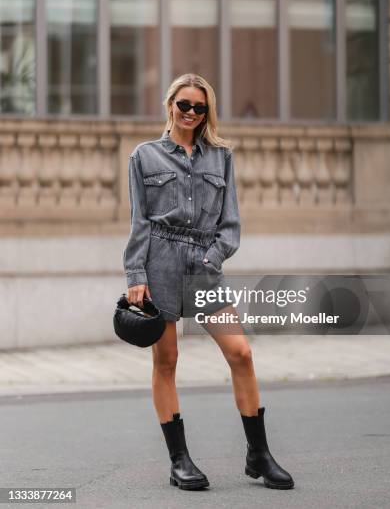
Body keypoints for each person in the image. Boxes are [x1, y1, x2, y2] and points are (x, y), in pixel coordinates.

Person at [123, 73, 294, 491]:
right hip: (160, 262)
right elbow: (140, 223)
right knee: (167, 361)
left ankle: (259, 454)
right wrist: (136, 275)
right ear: (170, 105)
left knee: (241, 353)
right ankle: (179, 461)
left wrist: (211, 257)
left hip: (203, 265)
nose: (192, 114)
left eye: (200, 108)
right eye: (185, 105)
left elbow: (230, 224)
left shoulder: (221, 157)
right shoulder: (144, 156)